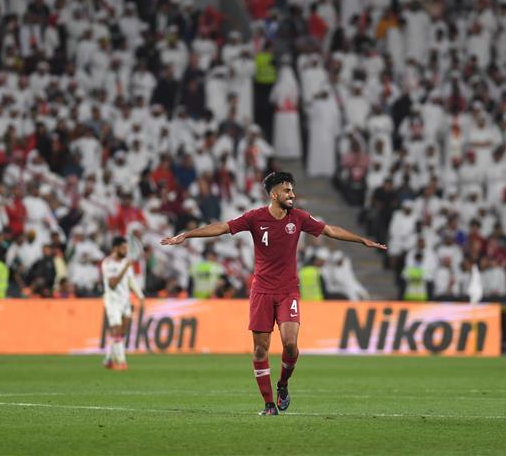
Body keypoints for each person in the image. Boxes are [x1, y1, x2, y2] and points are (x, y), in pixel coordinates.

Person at [160, 171, 386, 416]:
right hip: (262, 291)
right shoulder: (254, 218)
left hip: (288, 290)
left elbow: (330, 230)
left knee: (291, 346)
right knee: (260, 349)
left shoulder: (298, 218)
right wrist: (187, 235)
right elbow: (223, 227)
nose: (293, 194)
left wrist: (362, 240)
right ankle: (268, 404)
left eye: (292, 190)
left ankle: (283, 384)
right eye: (287, 190)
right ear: (274, 193)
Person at [101, 237, 144, 371]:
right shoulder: (108, 263)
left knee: (121, 333)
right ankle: (122, 362)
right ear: (115, 248)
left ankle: (108, 359)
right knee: (117, 330)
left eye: (127, 248)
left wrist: (140, 296)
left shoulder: (125, 262)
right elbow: (112, 284)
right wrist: (125, 268)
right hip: (112, 301)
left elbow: (131, 281)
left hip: (125, 301)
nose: (126, 251)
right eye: (123, 248)